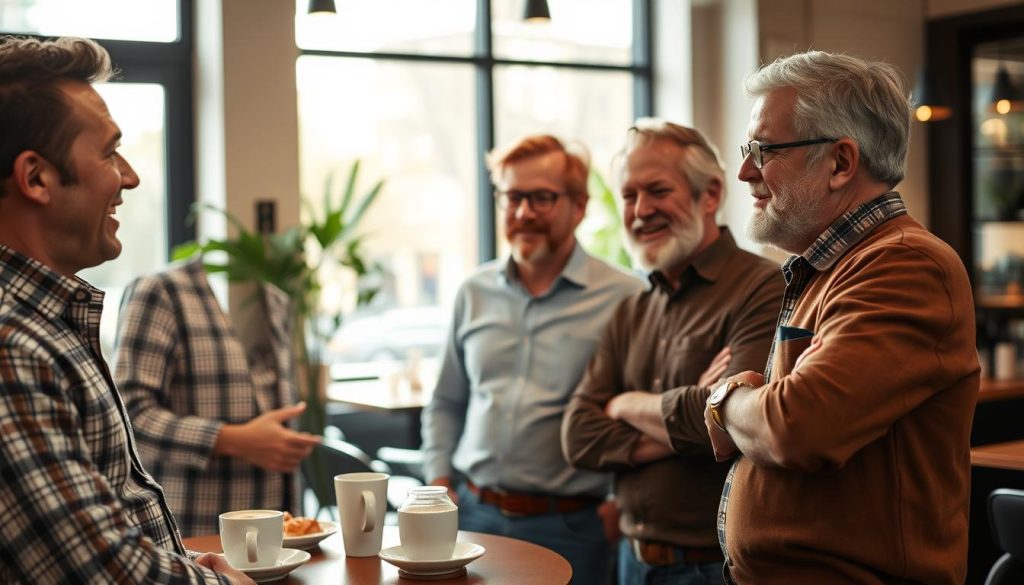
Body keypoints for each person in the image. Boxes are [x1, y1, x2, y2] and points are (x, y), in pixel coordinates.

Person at [704, 51, 980, 585]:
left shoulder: (904, 264)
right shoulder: (832, 266)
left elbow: (793, 429)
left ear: (840, 163)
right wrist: (751, 411)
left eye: (762, 150)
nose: (744, 172)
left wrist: (725, 396)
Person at [0, 36, 251, 583]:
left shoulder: (45, 326)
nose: (130, 177)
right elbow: (101, 571)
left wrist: (180, 563)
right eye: (110, 151)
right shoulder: (12, 346)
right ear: (36, 177)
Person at [561, 119, 784, 585]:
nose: (641, 210)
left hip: (712, 567)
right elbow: (578, 436)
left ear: (710, 195)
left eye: (658, 191)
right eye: (628, 196)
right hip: (630, 561)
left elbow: (736, 426)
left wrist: (625, 406)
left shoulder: (762, 287)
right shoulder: (631, 308)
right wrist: (693, 412)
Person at [421, 134, 645, 584]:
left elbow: (642, 410)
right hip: (472, 515)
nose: (524, 213)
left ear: (579, 206)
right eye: (513, 197)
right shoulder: (473, 292)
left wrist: (623, 499)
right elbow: (447, 400)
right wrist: (440, 481)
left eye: (542, 198)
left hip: (573, 525)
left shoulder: (627, 298)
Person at [114, 260, 321, 536]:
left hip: (276, 538)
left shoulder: (274, 299)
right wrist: (232, 440)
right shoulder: (162, 291)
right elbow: (127, 414)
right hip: (194, 534)